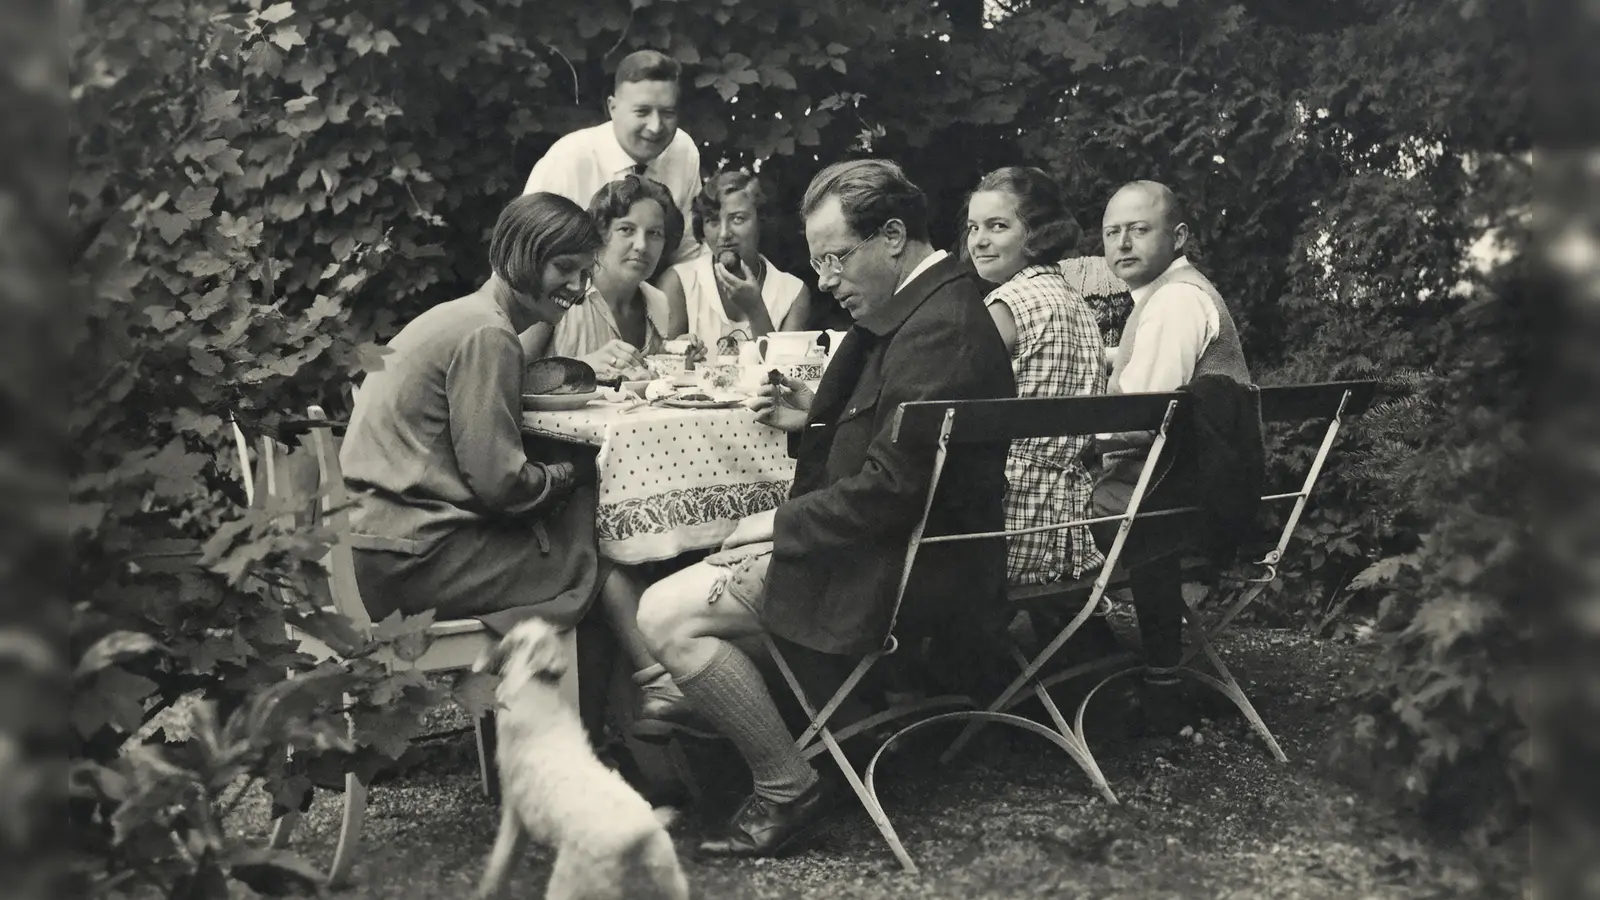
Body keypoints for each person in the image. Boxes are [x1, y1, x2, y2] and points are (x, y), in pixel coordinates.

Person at [633, 159, 1015, 858]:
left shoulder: (938, 329)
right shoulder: (925, 309)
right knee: (685, 625)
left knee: (663, 614)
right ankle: (725, 716)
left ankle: (786, 785)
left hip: (903, 571)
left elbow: (890, 490)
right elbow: (883, 457)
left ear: (893, 236)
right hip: (896, 550)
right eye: (818, 263)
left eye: (836, 258)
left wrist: (774, 527)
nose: (826, 281)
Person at [340, 193, 605, 637]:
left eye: (585, 273)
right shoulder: (490, 334)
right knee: (591, 546)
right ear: (523, 255)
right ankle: (602, 697)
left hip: (366, 549)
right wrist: (572, 473)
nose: (578, 288)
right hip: (408, 564)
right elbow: (500, 484)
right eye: (564, 268)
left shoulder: (462, 316)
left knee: (573, 535)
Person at [1093, 180, 1252, 730]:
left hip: (1161, 509)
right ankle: (1127, 669)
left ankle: (1075, 667)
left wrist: (1065, 443)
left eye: (1139, 229)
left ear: (1178, 235)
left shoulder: (1175, 302)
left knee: (1024, 510)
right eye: (1112, 232)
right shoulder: (1173, 295)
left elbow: (1139, 424)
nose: (1123, 243)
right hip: (1176, 498)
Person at [965, 166, 1106, 588]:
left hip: (1009, 525)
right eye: (973, 227)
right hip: (1066, 527)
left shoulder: (1008, 304)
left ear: (1038, 233)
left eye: (997, 226)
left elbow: (953, 398)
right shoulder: (1077, 303)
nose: (979, 240)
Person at [522, 49, 703, 266]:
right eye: (642, 112)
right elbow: (522, 253)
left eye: (667, 113)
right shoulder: (569, 159)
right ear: (613, 108)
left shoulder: (683, 151)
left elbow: (689, 254)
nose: (655, 127)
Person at [523, 175, 687, 381]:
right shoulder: (558, 292)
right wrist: (582, 368)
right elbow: (507, 376)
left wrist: (675, 360)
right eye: (626, 230)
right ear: (600, 233)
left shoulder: (659, 302)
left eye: (654, 233)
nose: (641, 245)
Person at [659, 170, 812, 344]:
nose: (724, 234)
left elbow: (787, 367)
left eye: (738, 219)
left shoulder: (792, 292)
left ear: (761, 220)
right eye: (713, 221)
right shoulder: (680, 282)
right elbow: (662, 363)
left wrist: (755, 310)